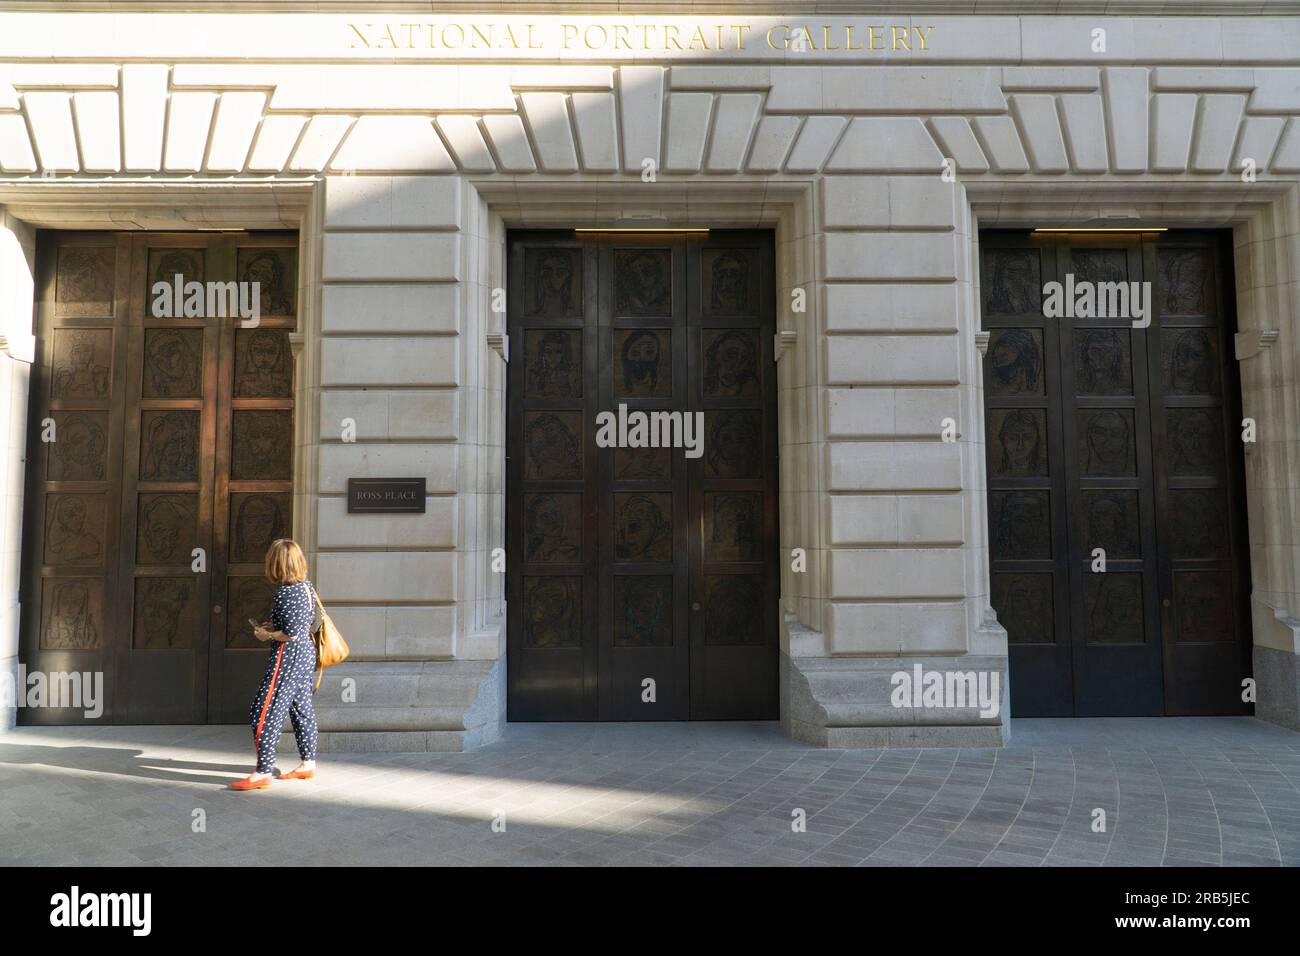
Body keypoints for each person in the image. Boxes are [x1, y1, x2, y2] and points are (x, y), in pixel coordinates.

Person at [230, 539, 320, 791]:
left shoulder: (285, 592)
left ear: (276, 563)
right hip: (304, 655)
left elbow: (289, 633)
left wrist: (266, 634)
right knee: (302, 709)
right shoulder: (305, 587)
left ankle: (263, 771)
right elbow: (302, 624)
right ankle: (308, 763)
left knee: (263, 710)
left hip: (288, 657)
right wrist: (272, 626)